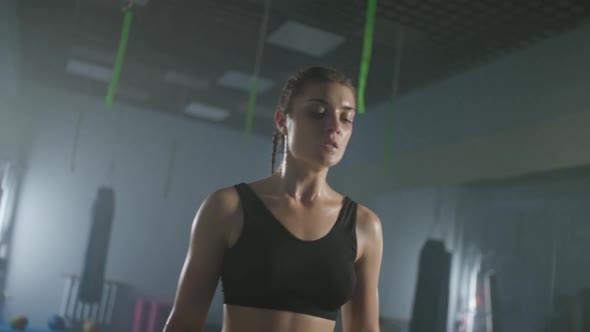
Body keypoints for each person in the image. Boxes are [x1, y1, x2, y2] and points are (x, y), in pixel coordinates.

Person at [164, 66, 383, 332]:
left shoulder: (364, 225)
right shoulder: (227, 207)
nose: (335, 127)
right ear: (282, 121)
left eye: (346, 118)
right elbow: (184, 323)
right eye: (318, 113)